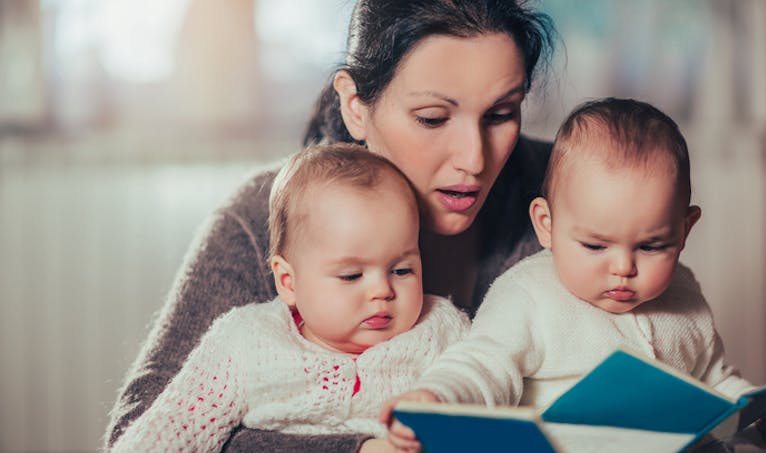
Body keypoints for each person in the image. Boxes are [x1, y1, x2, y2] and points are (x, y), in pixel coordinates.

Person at [104, 1, 557, 451]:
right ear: (355, 105)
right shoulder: (259, 220)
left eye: (500, 115)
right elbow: (141, 433)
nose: (473, 159)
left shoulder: (567, 189)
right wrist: (358, 449)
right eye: (432, 118)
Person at [382, 98, 766, 452]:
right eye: (596, 246)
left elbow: (715, 382)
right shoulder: (527, 294)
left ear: (685, 230)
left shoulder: (685, 294)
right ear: (546, 224)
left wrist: (754, 413)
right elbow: (482, 365)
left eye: (651, 246)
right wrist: (436, 398)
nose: (623, 268)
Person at [109, 143, 470, 452]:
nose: (382, 290)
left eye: (402, 270)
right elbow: (177, 425)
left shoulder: (440, 329)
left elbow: (490, 399)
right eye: (351, 275)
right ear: (288, 282)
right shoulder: (247, 340)